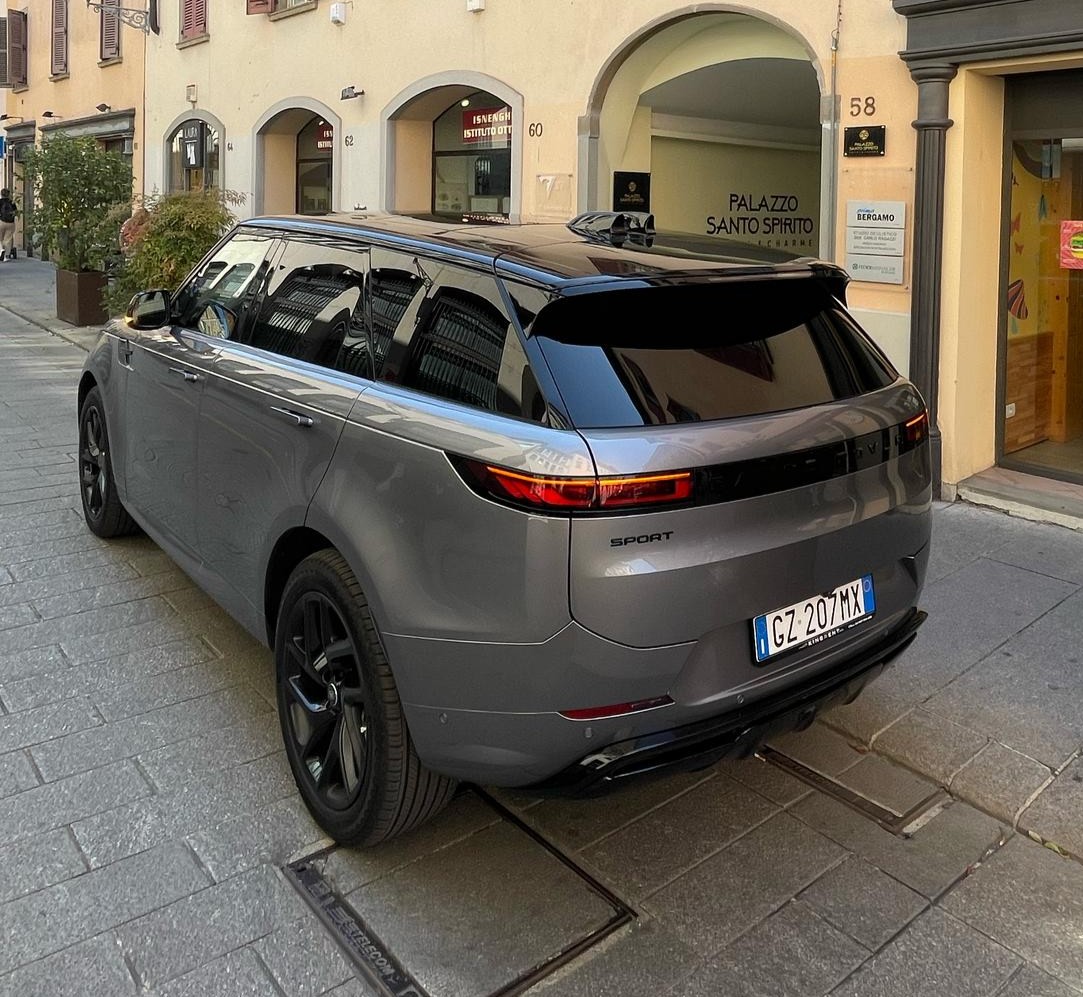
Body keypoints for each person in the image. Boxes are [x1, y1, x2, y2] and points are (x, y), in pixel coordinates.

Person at [0, 189, 17, 262]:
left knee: (0, 239)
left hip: (1, 222)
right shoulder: (12, 202)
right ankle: (6, 256)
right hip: (10, 223)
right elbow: (15, 212)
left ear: (1, 194)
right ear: (9, 194)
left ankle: (1, 250)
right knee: (8, 239)